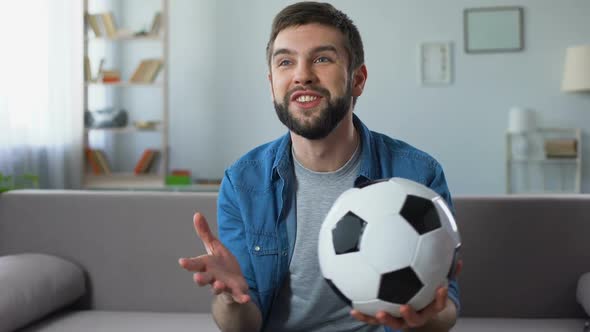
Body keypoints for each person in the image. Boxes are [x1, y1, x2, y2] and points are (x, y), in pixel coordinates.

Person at [179, 2, 461, 331]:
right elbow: (243, 324)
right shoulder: (243, 182)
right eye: (286, 62)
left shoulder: (418, 174)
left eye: (322, 59)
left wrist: (423, 322)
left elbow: (445, 308)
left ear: (357, 79)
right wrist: (230, 298)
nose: (302, 75)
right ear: (272, 84)